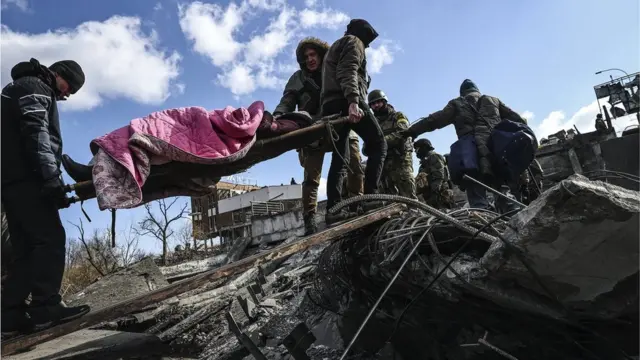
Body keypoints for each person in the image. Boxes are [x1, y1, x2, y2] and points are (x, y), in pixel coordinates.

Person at [1, 58, 91, 335]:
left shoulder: (16, 87)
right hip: (27, 180)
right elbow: (37, 133)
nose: (66, 95)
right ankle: (46, 308)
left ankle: (9, 315)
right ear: (58, 75)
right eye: (69, 88)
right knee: (50, 239)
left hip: (9, 182)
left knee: (26, 250)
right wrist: (51, 179)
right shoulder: (35, 87)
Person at [273, 37, 364, 235]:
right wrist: (277, 117)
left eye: (313, 54)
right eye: (306, 57)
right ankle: (310, 220)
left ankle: (357, 206)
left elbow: (352, 82)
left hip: (341, 124)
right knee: (311, 178)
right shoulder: (298, 78)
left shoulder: (334, 69)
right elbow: (287, 101)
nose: (310, 59)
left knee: (355, 164)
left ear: (322, 54)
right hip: (312, 129)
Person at [405, 79, 527, 211]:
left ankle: (485, 227)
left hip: (471, 157)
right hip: (495, 153)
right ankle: (515, 226)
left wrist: (412, 131)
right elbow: (519, 121)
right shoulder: (494, 101)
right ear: (477, 91)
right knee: (504, 195)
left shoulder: (457, 103)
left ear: (462, 93)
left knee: (478, 201)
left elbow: (434, 120)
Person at [320, 19, 387, 223]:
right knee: (379, 144)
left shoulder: (336, 46)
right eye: (368, 42)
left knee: (340, 159)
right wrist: (353, 101)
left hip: (331, 105)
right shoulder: (354, 41)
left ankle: (334, 210)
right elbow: (347, 70)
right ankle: (370, 198)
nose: (367, 47)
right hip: (345, 100)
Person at [367, 89, 416, 199]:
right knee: (388, 193)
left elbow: (402, 133)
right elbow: (368, 143)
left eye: (378, 102)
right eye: (373, 104)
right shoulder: (373, 124)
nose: (376, 106)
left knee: (406, 188)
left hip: (401, 157)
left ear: (384, 101)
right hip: (384, 161)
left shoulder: (398, 116)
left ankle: (414, 212)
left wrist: (380, 142)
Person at [414, 139, 454, 209]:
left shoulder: (434, 156)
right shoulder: (424, 163)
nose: (415, 151)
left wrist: (435, 192)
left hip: (440, 194)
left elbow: (439, 175)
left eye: (417, 149)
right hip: (431, 195)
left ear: (424, 147)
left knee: (445, 215)